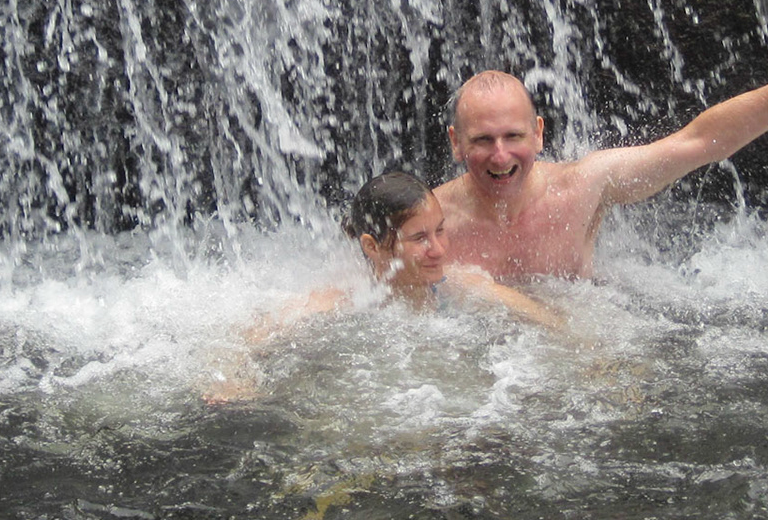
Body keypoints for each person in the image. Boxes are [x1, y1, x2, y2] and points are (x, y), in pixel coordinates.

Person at [434, 0, 768, 283]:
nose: (500, 155)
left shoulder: (584, 187)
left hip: (583, 376)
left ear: (538, 134)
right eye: (481, 141)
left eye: (513, 136)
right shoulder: (429, 224)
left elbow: (697, 141)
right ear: (455, 142)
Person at [204, 171, 560, 402]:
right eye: (419, 237)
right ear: (371, 247)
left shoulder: (459, 285)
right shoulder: (339, 303)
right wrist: (232, 380)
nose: (438, 249)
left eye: (440, 230)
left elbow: (547, 321)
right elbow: (241, 340)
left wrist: (590, 355)